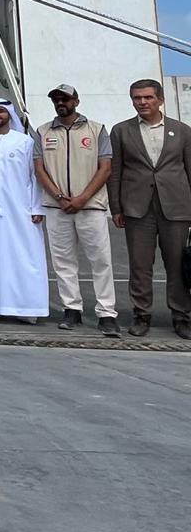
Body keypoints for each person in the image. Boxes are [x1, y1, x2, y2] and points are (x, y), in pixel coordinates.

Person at [107, 78, 191, 339]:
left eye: (148, 97)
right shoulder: (121, 131)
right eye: (137, 98)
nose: (142, 102)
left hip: (176, 207)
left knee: (177, 265)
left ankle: (181, 317)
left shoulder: (182, 130)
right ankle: (141, 315)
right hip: (136, 208)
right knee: (140, 265)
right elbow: (115, 172)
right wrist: (116, 207)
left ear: (160, 99)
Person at [33, 84, 120, 337]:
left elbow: (105, 168)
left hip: (90, 206)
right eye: (56, 100)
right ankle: (71, 309)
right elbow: (39, 169)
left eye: (65, 99)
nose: (61, 103)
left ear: (76, 101)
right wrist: (60, 197)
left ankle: (106, 313)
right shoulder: (42, 131)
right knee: (63, 262)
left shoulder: (96, 129)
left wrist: (82, 198)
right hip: (57, 207)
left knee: (100, 261)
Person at [0, 99, 47, 324]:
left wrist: (37, 207)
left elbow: (35, 177)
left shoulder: (24, 142)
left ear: (9, 114)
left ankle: (28, 308)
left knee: (26, 258)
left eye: (1, 111)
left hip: (22, 211)